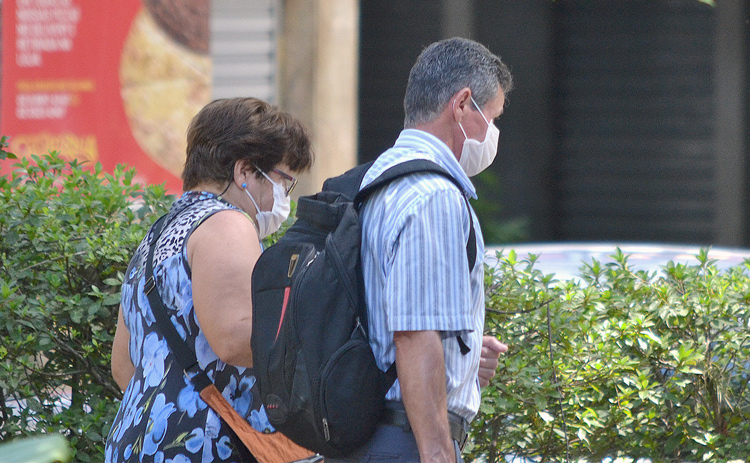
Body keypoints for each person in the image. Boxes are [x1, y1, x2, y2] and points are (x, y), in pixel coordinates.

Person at [331, 38, 513, 463]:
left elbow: (389, 312)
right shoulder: (433, 195)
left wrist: (463, 353)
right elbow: (413, 334)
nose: (493, 133)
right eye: (493, 116)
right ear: (463, 104)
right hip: (404, 441)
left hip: (373, 434)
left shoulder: (380, 178)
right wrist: (437, 454)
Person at [105, 97, 313, 463]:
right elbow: (235, 339)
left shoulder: (156, 236)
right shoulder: (227, 224)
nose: (284, 198)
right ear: (245, 171)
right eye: (283, 180)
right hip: (205, 445)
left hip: (141, 441)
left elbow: (123, 366)